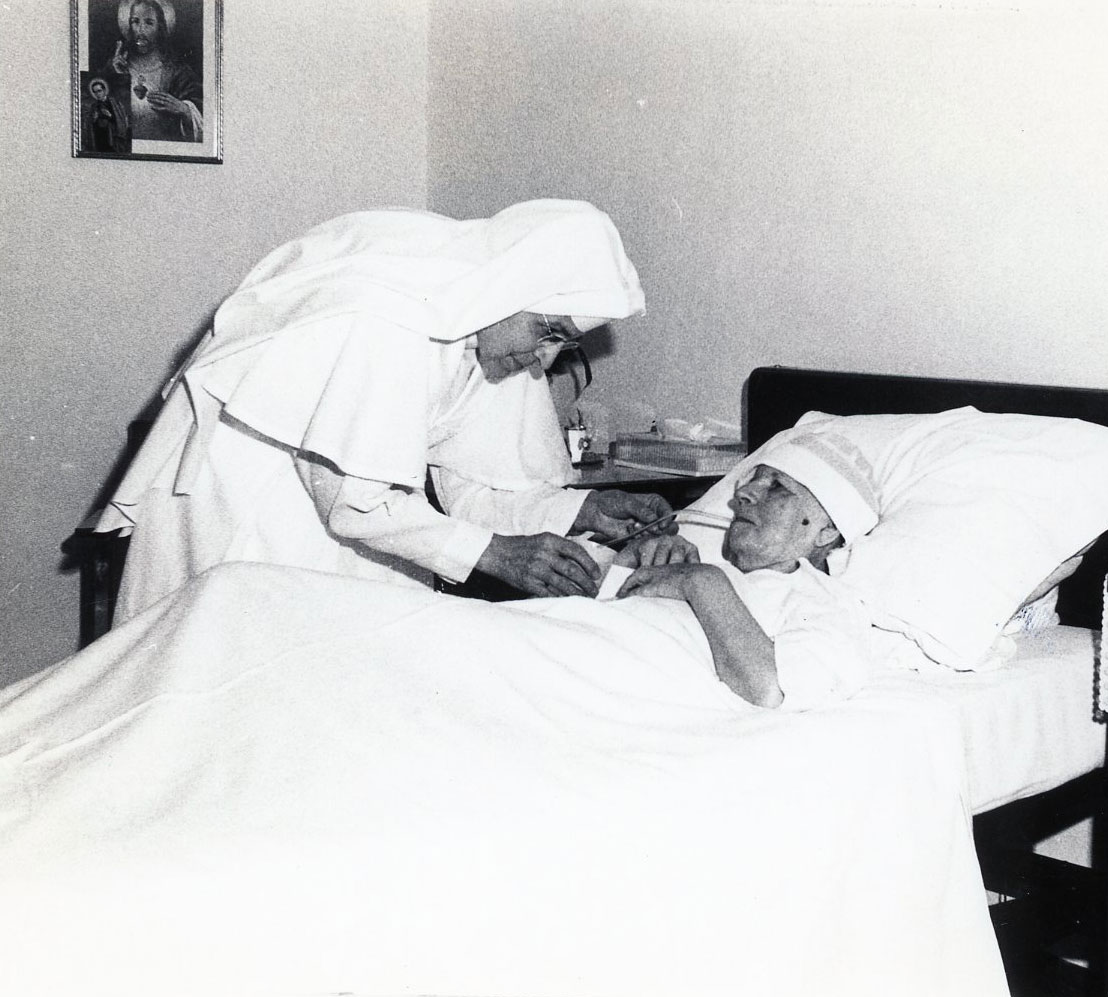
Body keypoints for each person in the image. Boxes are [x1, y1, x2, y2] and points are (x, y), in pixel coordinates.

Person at [95, 199, 672, 623]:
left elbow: (471, 488)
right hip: (252, 503)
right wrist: (494, 554)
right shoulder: (382, 318)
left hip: (357, 518)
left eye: (563, 345)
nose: (543, 358)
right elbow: (356, 503)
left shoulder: (496, 335)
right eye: (547, 332)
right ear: (513, 287)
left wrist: (582, 510)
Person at [612, 431, 882, 709]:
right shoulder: (700, 568)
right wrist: (625, 564)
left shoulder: (832, 604)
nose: (743, 493)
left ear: (826, 530)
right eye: (753, 481)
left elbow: (771, 690)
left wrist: (701, 582)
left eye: (777, 485)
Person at [105, 0, 203, 143]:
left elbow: (206, 129)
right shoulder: (115, 66)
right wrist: (117, 77)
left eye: (149, 23)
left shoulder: (179, 71)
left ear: (160, 27)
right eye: (135, 21)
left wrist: (184, 109)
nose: (140, 31)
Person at [83, 76, 129, 153]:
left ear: (104, 90)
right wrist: (94, 118)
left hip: (112, 137)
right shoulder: (94, 106)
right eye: (95, 92)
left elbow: (121, 120)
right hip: (99, 137)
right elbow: (90, 124)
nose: (97, 94)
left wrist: (110, 116)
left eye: (99, 91)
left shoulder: (115, 103)